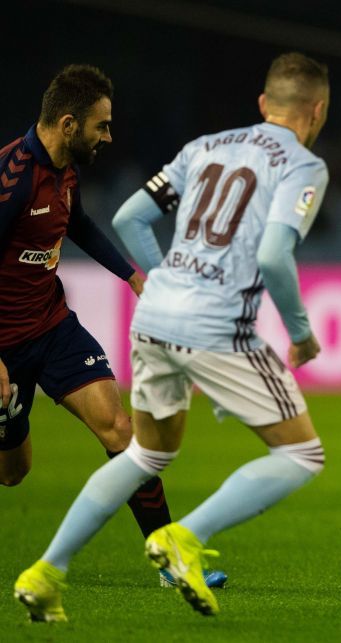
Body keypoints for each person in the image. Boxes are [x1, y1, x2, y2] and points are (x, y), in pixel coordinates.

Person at [14, 52, 329, 620]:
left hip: (156, 316)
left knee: (143, 453)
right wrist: (301, 334)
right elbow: (275, 256)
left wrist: (157, 279)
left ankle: (46, 572)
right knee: (302, 453)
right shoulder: (304, 165)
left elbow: (132, 217)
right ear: (319, 110)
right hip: (217, 323)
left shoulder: (204, 146)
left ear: (262, 105)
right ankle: (183, 536)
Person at [0, 65, 227, 605]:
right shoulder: (12, 179)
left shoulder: (66, 170)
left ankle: (168, 555)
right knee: (13, 473)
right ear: (69, 122)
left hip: (53, 327)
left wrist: (131, 276)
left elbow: (77, 225)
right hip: (3, 345)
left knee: (121, 429)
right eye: (101, 127)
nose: (109, 136)